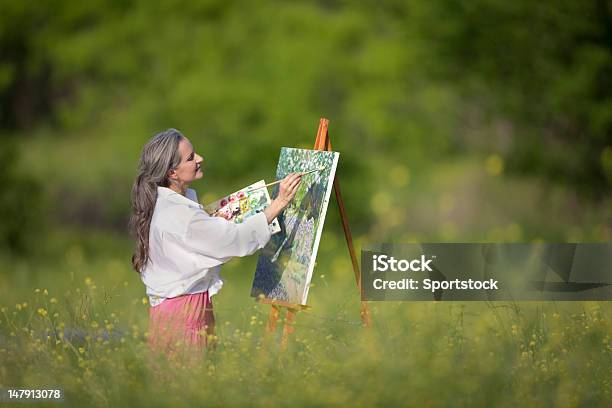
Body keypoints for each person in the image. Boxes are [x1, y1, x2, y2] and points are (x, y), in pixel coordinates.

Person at [128, 128, 301, 356]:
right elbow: (234, 240)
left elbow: (202, 236)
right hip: (183, 316)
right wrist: (279, 203)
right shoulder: (180, 214)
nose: (200, 159)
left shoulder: (169, 202)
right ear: (172, 172)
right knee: (190, 387)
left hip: (178, 311)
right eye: (190, 158)